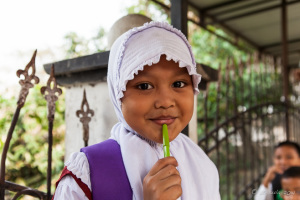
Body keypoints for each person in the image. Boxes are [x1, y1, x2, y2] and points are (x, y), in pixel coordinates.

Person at [52, 21, 220, 200]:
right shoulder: (87, 174)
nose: (165, 102)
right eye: (145, 86)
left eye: (178, 84)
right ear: (118, 93)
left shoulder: (202, 165)